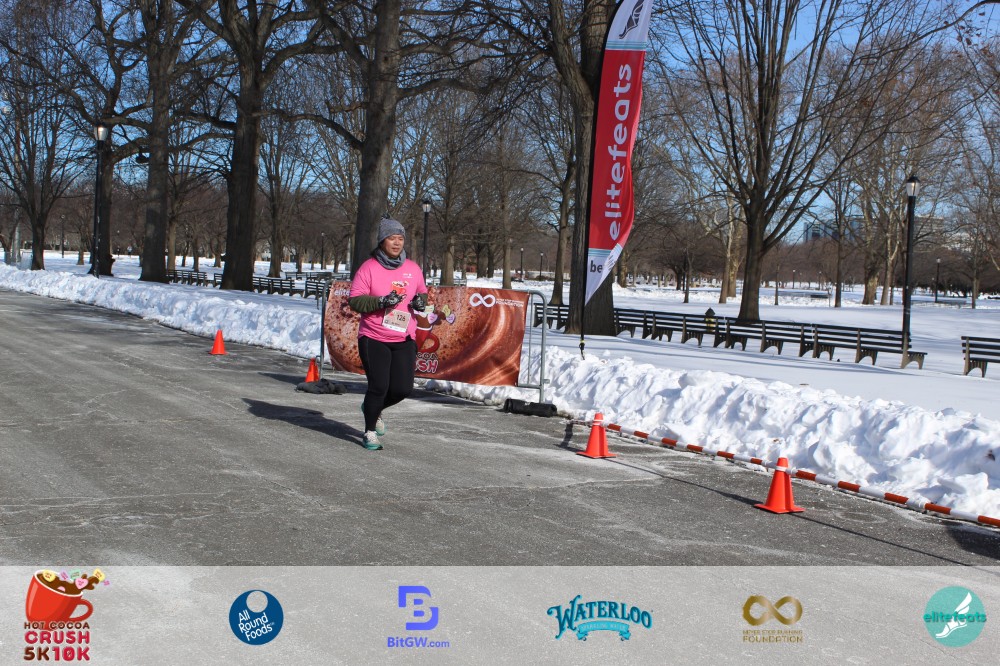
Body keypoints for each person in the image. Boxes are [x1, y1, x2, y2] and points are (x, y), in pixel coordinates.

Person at [348, 218, 428, 450]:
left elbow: (422, 292)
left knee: (402, 389)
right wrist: (381, 301)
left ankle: (373, 408)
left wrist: (420, 301)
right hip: (374, 336)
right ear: (382, 241)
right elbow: (355, 301)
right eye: (392, 238)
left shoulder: (412, 268)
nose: (397, 243)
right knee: (379, 386)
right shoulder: (369, 268)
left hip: (404, 337)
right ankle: (370, 432)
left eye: (400, 239)